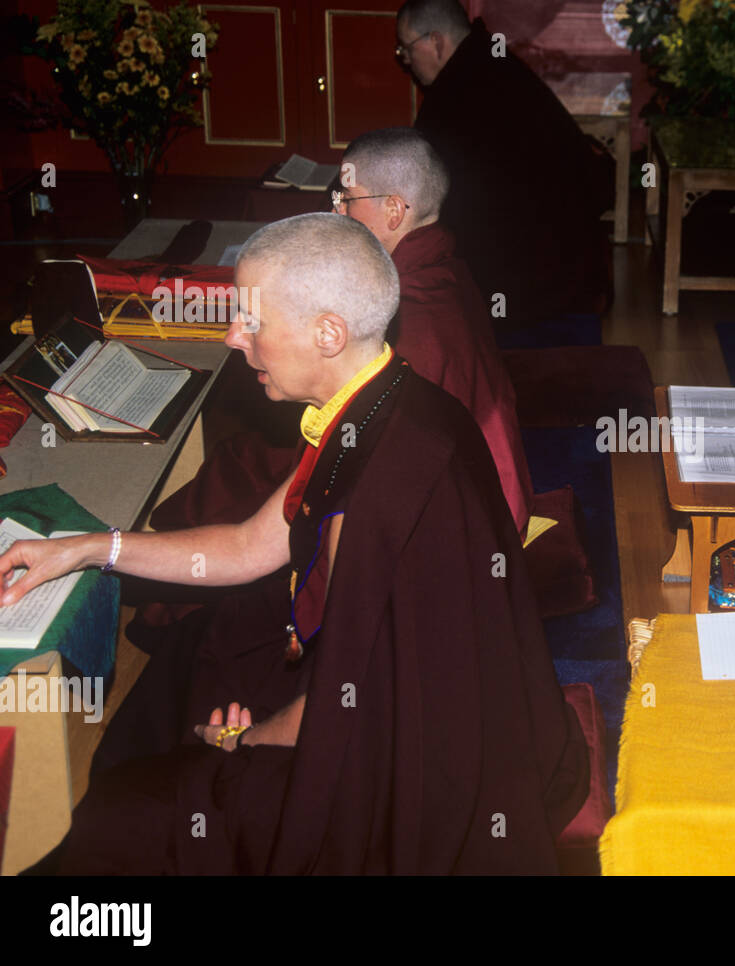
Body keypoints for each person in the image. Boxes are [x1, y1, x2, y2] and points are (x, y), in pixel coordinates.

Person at [3, 214, 587, 874]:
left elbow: (350, 705)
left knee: (122, 821)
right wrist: (88, 548)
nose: (232, 338)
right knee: (196, 655)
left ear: (328, 333)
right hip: (454, 701)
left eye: (251, 322)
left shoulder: (373, 490)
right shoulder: (389, 397)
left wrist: (243, 740)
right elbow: (251, 545)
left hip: (406, 781)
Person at [337, 125, 533, 535]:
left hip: (466, 524)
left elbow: (385, 462)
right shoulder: (445, 266)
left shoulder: (405, 314)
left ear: (393, 210)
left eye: (348, 198)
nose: (338, 211)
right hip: (493, 489)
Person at [396, 0, 613, 322]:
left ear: (437, 42)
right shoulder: (492, 63)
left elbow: (425, 190)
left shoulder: (457, 92)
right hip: (580, 268)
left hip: (541, 287)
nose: (406, 60)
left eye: (406, 49)